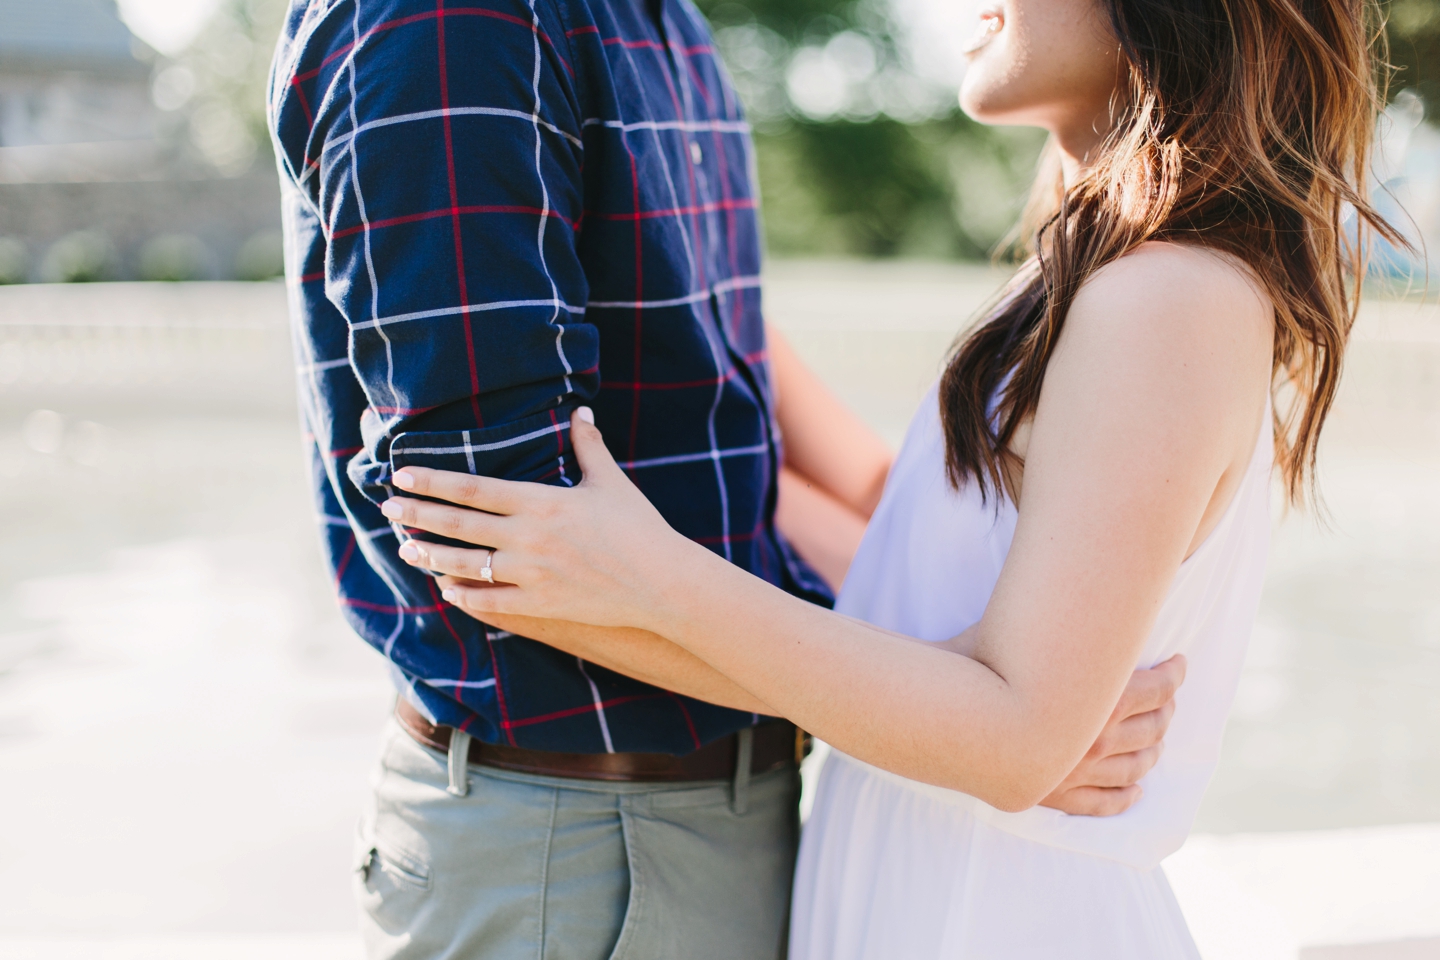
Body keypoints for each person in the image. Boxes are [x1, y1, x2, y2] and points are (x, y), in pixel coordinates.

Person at [378, 0, 1404, 953]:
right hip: (940, 893)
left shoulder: (1169, 297)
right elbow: (900, 546)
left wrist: (654, 580)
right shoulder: (1100, 276)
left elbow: (1014, 740)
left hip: (1000, 917)